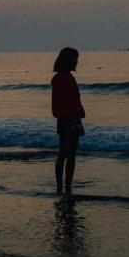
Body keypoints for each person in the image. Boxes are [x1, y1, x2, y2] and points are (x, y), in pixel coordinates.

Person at [51, 46, 85, 194]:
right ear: (69, 60)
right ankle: (68, 185)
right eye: (75, 58)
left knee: (62, 153)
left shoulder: (57, 78)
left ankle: (60, 185)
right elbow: (74, 101)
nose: (76, 61)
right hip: (72, 119)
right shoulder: (68, 79)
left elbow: (57, 103)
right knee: (70, 155)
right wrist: (78, 118)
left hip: (62, 119)